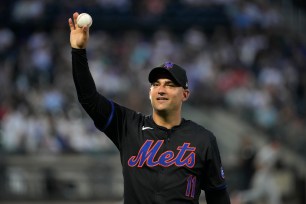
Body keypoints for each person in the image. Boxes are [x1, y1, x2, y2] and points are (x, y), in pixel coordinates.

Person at [68, 12, 231, 204]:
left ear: (185, 94)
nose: (161, 89)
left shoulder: (202, 138)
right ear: (150, 92)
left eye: (170, 85)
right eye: (156, 84)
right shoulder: (128, 126)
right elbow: (88, 98)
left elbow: (218, 197)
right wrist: (78, 51)